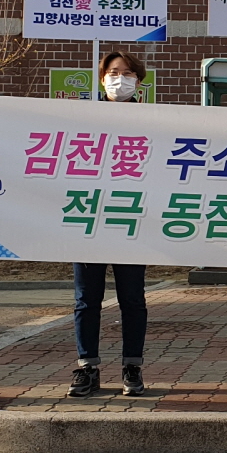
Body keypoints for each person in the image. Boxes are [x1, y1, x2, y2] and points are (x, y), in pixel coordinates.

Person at [68, 50, 152, 398]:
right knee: (87, 299)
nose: (121, 79)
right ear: (102, 79)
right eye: (114, 73)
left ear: (139, 81)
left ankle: (132, 366)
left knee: (132, 298)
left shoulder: (154, 121)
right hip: (89, 218)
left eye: (128, 73)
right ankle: (87, 366)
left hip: (131, 220)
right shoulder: (84, 118)